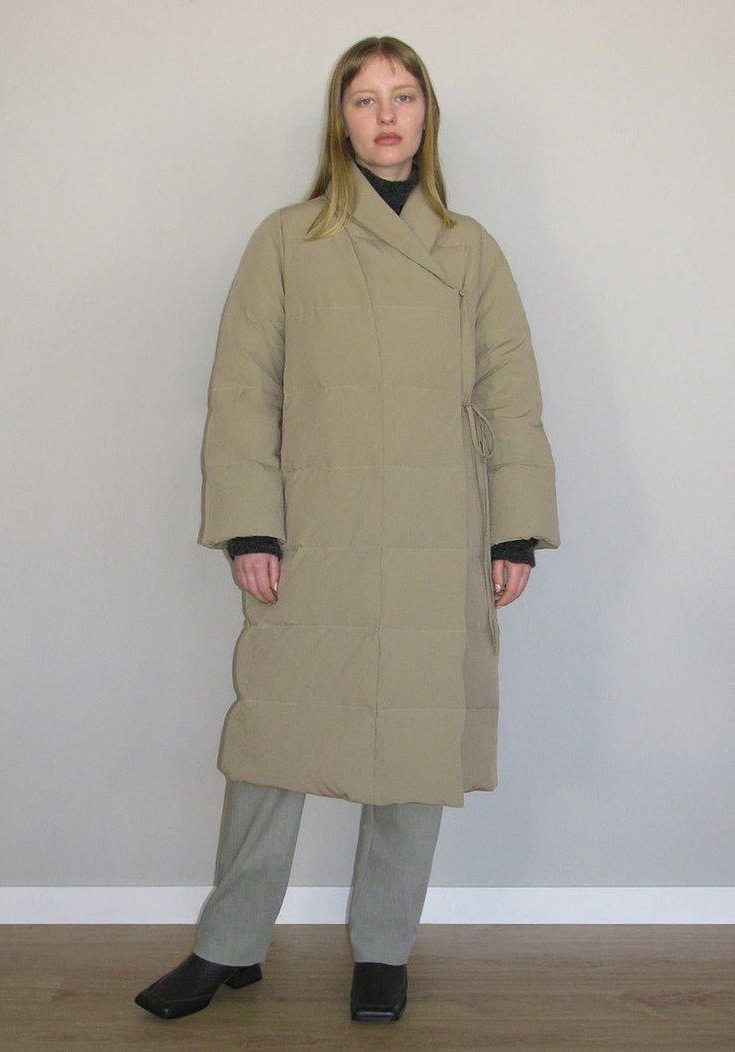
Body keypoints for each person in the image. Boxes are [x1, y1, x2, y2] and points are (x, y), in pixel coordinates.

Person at [135, 35, 559, 1024]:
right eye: (364, 99)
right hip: (314, 529)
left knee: (414, 744)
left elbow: (510, 396)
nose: (385, 115)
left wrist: (512, 532)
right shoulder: (287, 241)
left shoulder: (470, 249)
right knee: (272, 741)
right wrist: (250, 527)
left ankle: (383, 948)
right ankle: (228, 943)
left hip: (436, 530)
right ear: (340, 120)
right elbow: (243, 391)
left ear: (426, 113)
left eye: (402, 96)